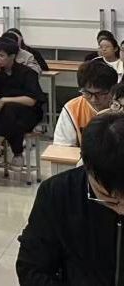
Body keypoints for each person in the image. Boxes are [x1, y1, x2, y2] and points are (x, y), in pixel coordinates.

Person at [16, 112, 124, 284]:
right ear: (87, 167)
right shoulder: (57, 193)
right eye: (108, 198)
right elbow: (32, 269)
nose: (121, 209)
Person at [0, 35, 46, 168]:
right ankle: (17, 154)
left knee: (10, 109)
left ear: (12, 56)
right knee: (12, 119)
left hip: (29, 113)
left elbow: (32, 100)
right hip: (2, 115)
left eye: (1, 55)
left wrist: (4, 100)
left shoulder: (27, 72)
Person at [53, 60, 118, 147]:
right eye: (87, 93)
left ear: (113, 89)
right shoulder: (72, 108)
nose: (93, 99)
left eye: (100, 93)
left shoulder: (121, 108)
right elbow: (62, 147)